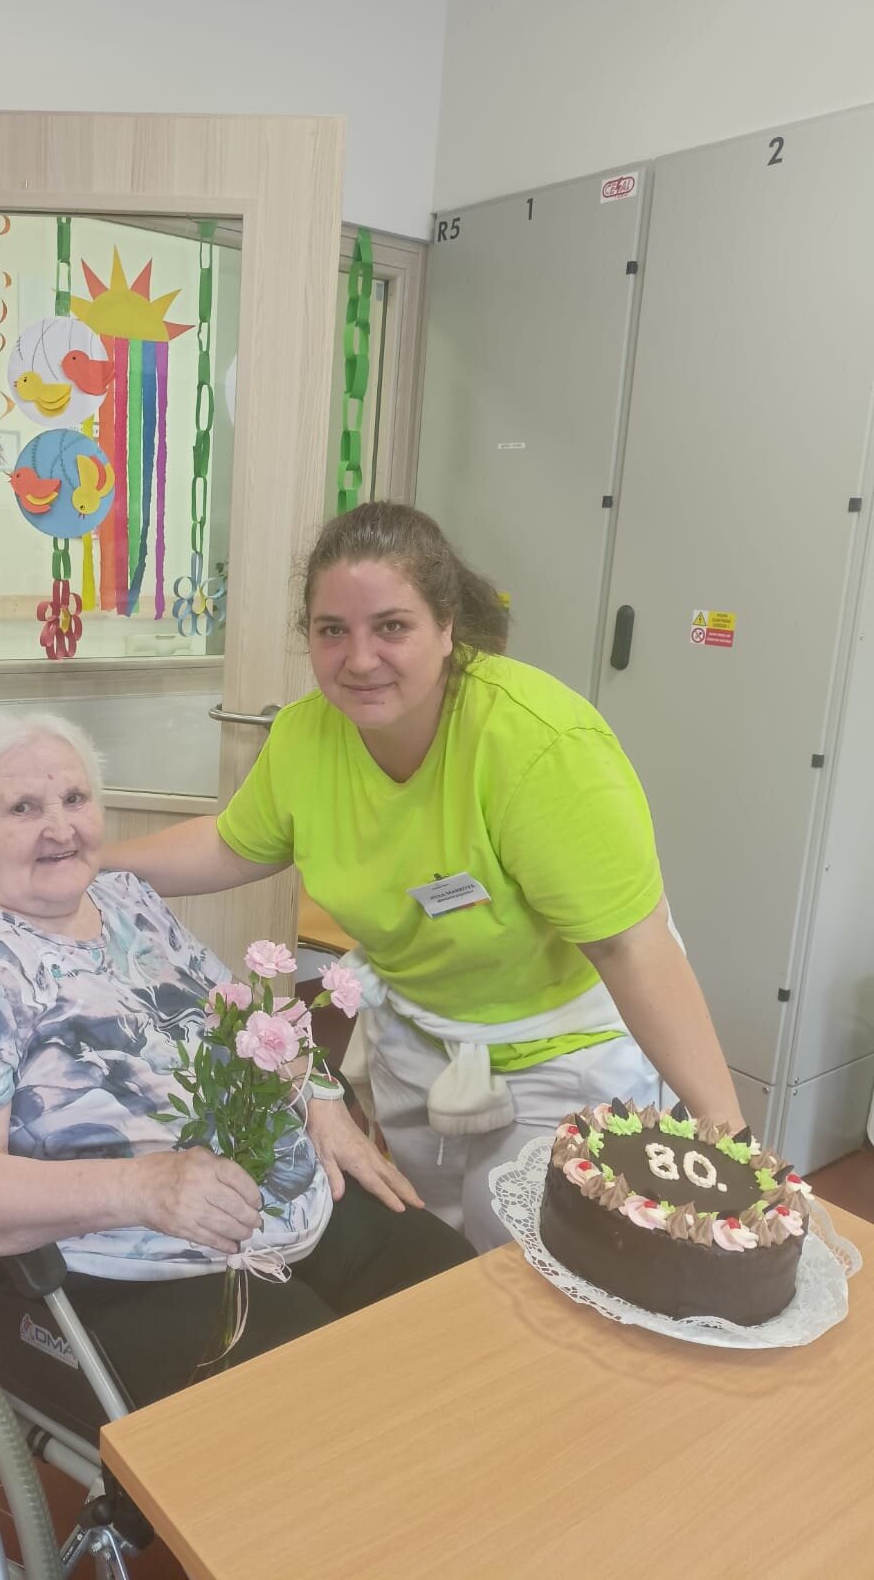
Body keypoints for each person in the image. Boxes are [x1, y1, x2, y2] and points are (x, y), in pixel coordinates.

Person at [102, 501, 746, 1253]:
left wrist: (726, 1137)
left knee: (525, 1258)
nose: (359, 659)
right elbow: (232, 844)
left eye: (392, 626)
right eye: (332, 630)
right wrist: (89, 862)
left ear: (447, 627)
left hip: (560, 1049)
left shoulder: (537, 745)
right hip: (418, 1037)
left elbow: (630, 947)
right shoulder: (307, 736)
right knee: (435, 1247)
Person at [0, 709, 470, 1407]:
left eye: (75, 799)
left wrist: (319, 1095)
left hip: (278, 1193)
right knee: (333, 1405)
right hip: (126, 1258)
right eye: (23, 808)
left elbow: (238, 1016)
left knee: (458, 1302)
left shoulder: (124, 899)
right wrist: (142, 1188)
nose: (61, 828)